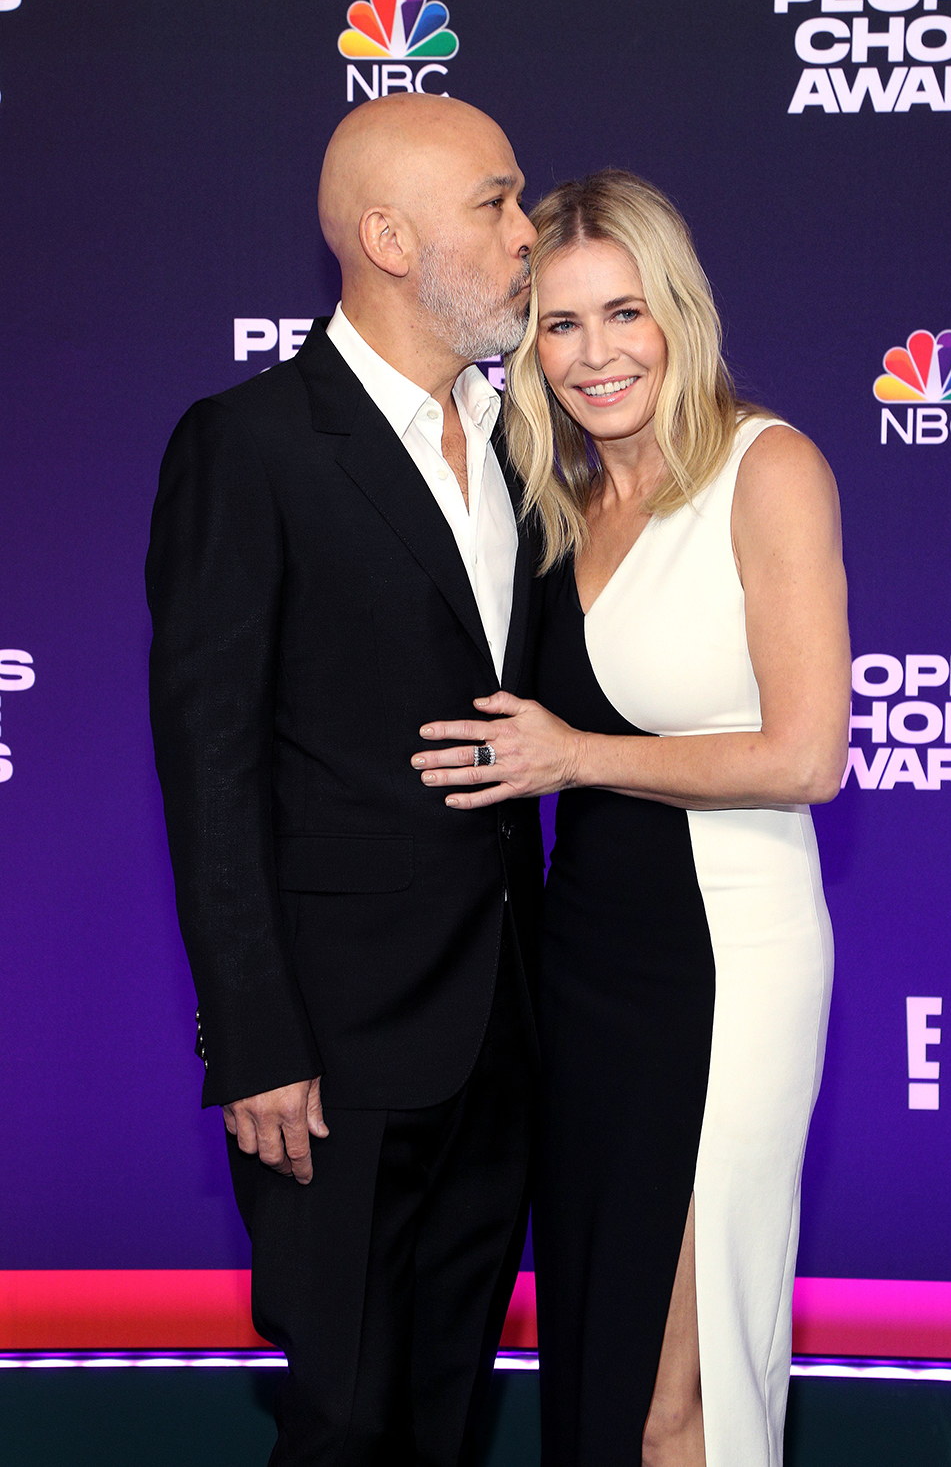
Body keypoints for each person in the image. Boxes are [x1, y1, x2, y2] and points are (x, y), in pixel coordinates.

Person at [411, 170, 851, 1467]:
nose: (597, 354)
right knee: (602, 1351)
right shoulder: (549, 498)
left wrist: (574, 756)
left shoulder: (768, 469)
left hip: (725, 961)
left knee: (684, 1364)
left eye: (625, 314)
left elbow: (809, 754)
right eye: (558, 322)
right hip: (586, 968)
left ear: (678, 315)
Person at [146, 94, 543, 1466]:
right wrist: (255, 1039)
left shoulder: (517, 445)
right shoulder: (248, 445)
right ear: (387, 236)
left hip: (504, 1028)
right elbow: (211, 764)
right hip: (335, 1051)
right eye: (493, 203)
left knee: (444, 1411)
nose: (526, 233)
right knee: (347, 1418)